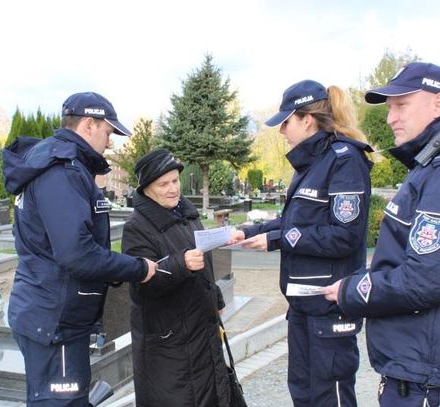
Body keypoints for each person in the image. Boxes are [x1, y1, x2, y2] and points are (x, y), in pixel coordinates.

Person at [2, 92, 157, 406]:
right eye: (108, 132)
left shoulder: (62, 166)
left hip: (55, 315)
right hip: (55, 321)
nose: (110, 142)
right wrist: (137, 268)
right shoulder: (61, 172)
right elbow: (77, 254)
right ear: (89, 125)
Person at [230, 80, 373, 406]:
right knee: (304, 395)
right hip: (303, 307)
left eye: (286, 121)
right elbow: (298, 222)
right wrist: (253, 231)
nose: (281, 131)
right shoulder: (312, 165)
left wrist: (280, 239)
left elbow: (344, 236)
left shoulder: (344, 160)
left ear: (306, 118)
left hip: (329, 308)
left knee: (329, 398)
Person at [323, 62, 440, 406]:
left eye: (402, 105)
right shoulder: (426, 168)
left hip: (423, 377)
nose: (391, 118)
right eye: (390, 108)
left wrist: (352, 291)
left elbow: (424, 280)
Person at [121, 148, 230, 407]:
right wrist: (180, 263)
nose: (173, 189)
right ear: (146, 188)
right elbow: (141, 284)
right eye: (163, 184)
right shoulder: (136, 228)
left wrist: (216, 297)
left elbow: (204, 267)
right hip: (169, 346)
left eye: (175, 181)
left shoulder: (187, 216)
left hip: (200, 333)